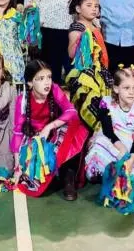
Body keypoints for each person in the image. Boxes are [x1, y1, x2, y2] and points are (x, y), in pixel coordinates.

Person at [10, 59, 88, 201]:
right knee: (33, 176)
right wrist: (17, 166)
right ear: (30, 83)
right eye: (40, 79)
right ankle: (53, 175)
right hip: (34, 137)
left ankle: (68, 177)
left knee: (75, 125)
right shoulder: (22, 100)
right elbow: (17, 133)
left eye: (49, 77)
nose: (47, 82)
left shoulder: (54, 89)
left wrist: (49, 127)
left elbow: (71, 111)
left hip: (52, 131)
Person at [84, 67, 134, 186]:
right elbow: (107, 130)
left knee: (133, 174)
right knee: (100, 142)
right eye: (126, 88)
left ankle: (122, 178)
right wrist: (121, 148)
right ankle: (105, 174)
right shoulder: (106, 103)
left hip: (132, 142)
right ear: (116, 88)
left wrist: (131, 159)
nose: (131, 92)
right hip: (114, 139)